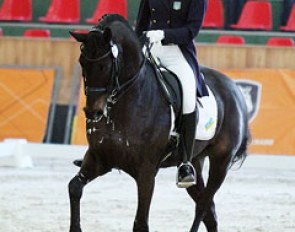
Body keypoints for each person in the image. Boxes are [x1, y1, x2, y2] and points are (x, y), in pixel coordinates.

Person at [135, 0, 208, 188]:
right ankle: (101, 148)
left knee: (189, 97)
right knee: (120, 80)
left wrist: (163, 34)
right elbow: (141, 24)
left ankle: (185, 163)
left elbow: (192, 31)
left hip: (177, 52)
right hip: (150, 48)